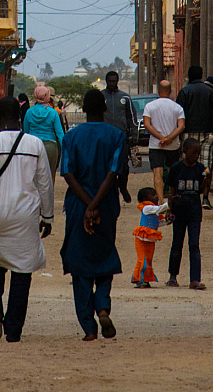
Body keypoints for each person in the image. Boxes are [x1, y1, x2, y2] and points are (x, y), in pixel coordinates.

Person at [0, 96, 54, 342]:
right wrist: (47, 216)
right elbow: (45, 183)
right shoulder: (35, 143)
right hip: (26, 214)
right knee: (22, 270)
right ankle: (14, 329)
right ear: (21, 117)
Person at [60, 88, 125, 341]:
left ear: (84, 110)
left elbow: (67, 173)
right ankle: (103, 306)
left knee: (80, 262)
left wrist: (87, 205)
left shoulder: (71, 138)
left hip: (78, 206)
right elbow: (113, 173)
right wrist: (97, 204)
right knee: (105, 255)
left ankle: (88, 326)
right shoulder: (117, 136)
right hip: (106, 205)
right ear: (105, 109)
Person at [166, 138, 209, 290]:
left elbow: (202, 191)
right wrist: (169, 210)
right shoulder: (177, 168)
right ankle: (173, 276)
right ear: (185, 152)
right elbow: (171, 191)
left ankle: (195, 279)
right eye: (193, 152)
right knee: (177, 243)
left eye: (198, 152)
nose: (196, 155)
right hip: (179, 211)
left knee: (194, 245)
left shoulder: (200, 169)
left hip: (194, 212)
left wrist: (206, 179)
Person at [176, 65, 213, 210]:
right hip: (208, 133)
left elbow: (179, 114)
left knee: (187, 164)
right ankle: (205, 198)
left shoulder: (184, 92)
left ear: (189, 76)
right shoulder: (211, 92)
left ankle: (187, 194)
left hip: (189, 133)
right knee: (206, 166)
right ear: (201, 75)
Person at [142, 81, 185, 205]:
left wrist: (160, 138)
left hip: (156, 144)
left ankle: (160, 200)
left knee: (158, 172)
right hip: (173, 145)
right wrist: (169, 138)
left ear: (158, 91)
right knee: (173, 172)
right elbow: (181, 126)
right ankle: (172, 197)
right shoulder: (177, 107)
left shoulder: (150, 106)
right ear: (170, 91)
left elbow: (147, 125)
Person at [102, 70, 138, 203]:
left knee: (123, 166)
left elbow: (132, 117)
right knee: (106, 165)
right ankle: (109, 191)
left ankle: (123, 187)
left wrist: (133, 133)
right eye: (109, 81)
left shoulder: (125, 98)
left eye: (114, 81)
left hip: (121, 137)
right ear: (106, 81)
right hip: (105, 137)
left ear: (117, 81)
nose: (112, 83)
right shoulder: (101, 96)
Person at [131, 186, 170, 289]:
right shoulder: (147, 208)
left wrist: (167, 221)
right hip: (142, 240)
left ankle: (144, 279)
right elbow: (159, 208)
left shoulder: (153, 210)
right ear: (145, 199)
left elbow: (157, 223)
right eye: (153, 195)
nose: (156, 197)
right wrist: (169, 203)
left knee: (148, 260)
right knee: (143, 260)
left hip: (149, 240)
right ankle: (140, 280)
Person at [23, 85, 65, 180]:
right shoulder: (53, 113)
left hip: (32, 146)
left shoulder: (29, 112)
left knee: (33, 176)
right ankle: (49, 195)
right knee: (50, 177)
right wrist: (65, 151)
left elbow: (25, 132)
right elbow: (60, 134)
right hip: (50, 147)